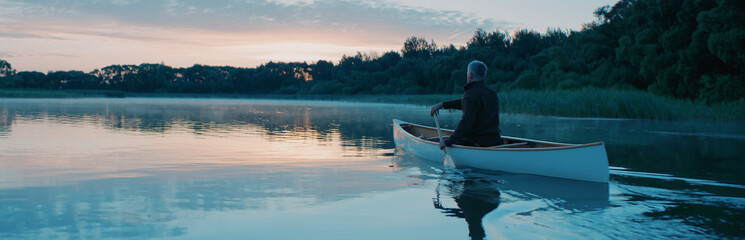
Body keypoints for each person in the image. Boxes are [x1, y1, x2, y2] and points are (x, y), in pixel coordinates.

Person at [430, 60, 502, 148]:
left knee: (438, 140)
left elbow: (466, 122)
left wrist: (449, 141)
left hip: (477, 142)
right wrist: (443, 105)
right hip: (495, 140)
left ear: (470, 75)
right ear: (484, 75)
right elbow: (467, 104)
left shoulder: (471, 94)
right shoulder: (492, 92)